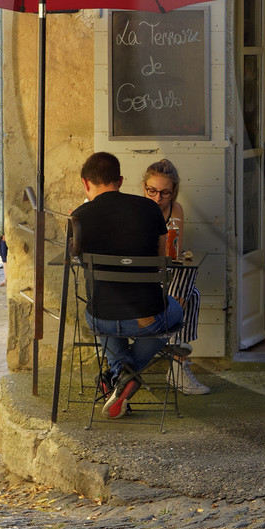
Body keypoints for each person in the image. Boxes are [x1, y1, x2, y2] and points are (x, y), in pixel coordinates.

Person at [68, 151, 185, 419]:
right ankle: (124, 375)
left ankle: (118, 375)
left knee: (101, 317)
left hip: (101, 319)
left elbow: (73, 261)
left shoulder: (78, 217)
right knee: (177, 309)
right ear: (120, 180)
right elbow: (160, 262)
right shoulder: (150, 209)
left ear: (85, 183)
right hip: (146, 319)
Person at [143, 160, 209, 396]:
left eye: (164, 192)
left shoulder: (175, 209)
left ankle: (175, 345)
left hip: (165, 275)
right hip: (142, 276)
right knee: (191, 294)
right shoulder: (138, 208)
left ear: (173, 193)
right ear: (144, 187)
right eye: (152, 190)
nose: (157, 197)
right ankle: (178, 362)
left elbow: (172, 250)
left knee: (190, 285)